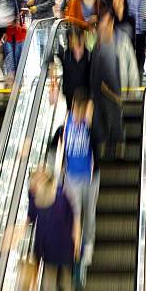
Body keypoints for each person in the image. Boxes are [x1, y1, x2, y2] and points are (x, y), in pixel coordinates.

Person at [52, 87, 99, 281]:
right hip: (71, 178)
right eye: (77, 111)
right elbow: (54, 144)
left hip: (90, 178)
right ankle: (76, 253)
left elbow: (99, 144)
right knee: (75, 216)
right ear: (73, 107)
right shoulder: (65, 123)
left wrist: (90, 125)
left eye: (82, 111)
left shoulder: (91, 126)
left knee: (89, 214)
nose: (79, 115)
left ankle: (87, 245)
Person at [27, 167, 77, 291]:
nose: (33, 186)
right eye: (32, 182)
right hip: (46, 247)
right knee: (49, 286)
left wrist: (76, 240)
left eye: (36, 182)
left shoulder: (61, 196)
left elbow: (73, 217)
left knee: (65, 281)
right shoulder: (33, 195)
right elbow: (32, 216)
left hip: (62, 246)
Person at [90, 8, 124, 159]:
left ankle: (118, 148)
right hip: (98, 90)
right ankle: (104, 148)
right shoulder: (98, 44)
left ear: (110, 24)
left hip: (110, 91)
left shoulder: (111, 45)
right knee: (100, 120)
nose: (100, 25)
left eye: (103, 22)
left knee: (113, 118)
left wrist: (116, 94)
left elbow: (112, 70)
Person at [54, 26, 91, 110]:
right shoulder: (65, 55)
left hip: (84, 97)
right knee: (72, 116)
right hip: (70, 96)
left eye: (72, 38)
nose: (71, 41)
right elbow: (50, 59)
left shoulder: (89, 56)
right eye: (70, 39)